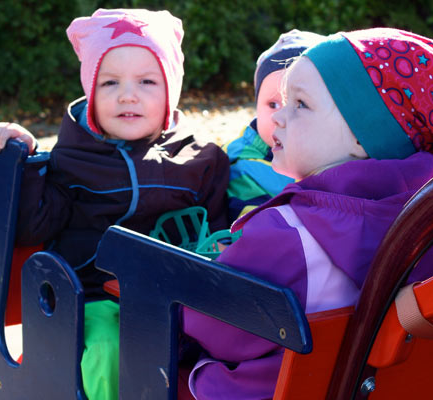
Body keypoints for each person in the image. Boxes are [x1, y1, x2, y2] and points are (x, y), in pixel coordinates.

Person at [0, 8, 230, 400]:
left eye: (148, 81)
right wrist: (25, 162)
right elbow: (32, 226)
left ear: (171, 91)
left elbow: (217, 232)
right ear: (90, 92)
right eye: (110, 82)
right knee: (105, 352)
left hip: (175, 302)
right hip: (91, 296)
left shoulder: (200, 160)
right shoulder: (73, 159)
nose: (127, 94)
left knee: (230, 349)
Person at [181, 27, 433, 399]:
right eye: (280, 102)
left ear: (365, 137)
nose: (277, 117)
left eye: (300, 104)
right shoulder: (422, 222)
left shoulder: (288, 232)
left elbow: (210, 325)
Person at [225, 29, 323, 221]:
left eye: (300, 104)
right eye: (273, 104)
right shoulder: (241, 165)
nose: (282, 117)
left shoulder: (343, 155)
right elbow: (252, 230)